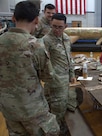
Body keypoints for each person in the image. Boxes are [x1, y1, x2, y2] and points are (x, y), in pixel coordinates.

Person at [0, 1, 60, 135]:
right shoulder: (35, 45)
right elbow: (48, 76)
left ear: (13, 18)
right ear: (36, 20)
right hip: (33, 109)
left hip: (8, 108)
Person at [43, 13, 76, 135]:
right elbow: (44, 62)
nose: (56, 30)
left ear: (65, 26)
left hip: (65, 79)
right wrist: (51, 77)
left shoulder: (66, 38)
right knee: (57, 108)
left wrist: (72, 73)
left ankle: (61, 130)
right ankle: (56, 132)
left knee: (63, 106)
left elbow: (69, 57)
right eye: (54, 26)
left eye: (59, 27)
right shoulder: (46, 40)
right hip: (54, 81)